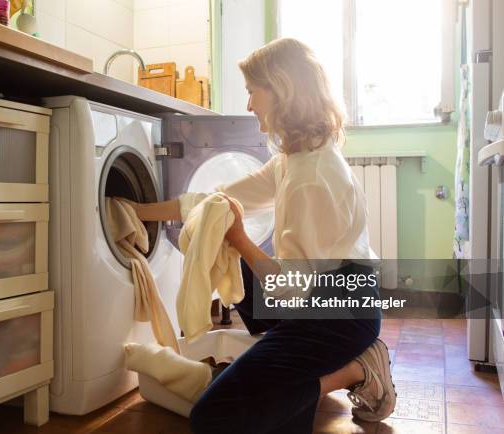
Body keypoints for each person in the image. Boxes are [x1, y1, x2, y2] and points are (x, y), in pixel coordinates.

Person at [126, 38, 396, 434]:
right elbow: (215, 200)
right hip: (323, 296)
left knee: (213, 416)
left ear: (282, 91)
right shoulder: (293, 159)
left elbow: (292, 288)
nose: (249, 105)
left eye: (253, 92)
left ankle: (358, 370)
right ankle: (300, 374)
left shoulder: (311, 179)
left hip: (338, 314)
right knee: (241, 388)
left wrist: (237, 238)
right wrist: (136, 212)